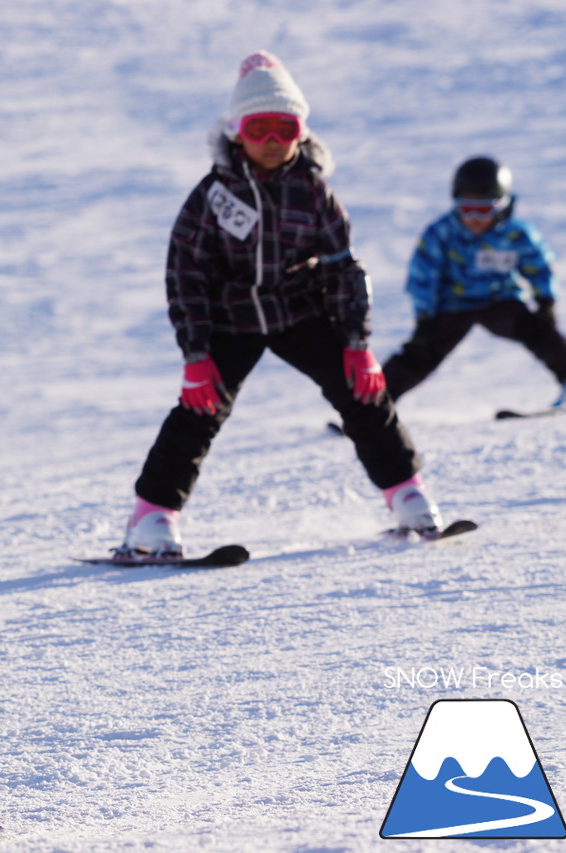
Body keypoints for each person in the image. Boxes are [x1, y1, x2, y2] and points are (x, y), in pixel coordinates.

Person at [120, 51, 446, 559]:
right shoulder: (211, 197)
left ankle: (407, 494)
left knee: (361, 393)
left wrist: (357, 345)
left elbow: (344, 268)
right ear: (236, 132)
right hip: (231, 319)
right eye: (259, 129)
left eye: (285, 128)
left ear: (301, 132)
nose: (272, 142)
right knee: (199, 410)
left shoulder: (314, 192)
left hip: (300, 312)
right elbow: (185, 276)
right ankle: (152, 519)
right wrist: (196, 356)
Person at [382, 156, 566, 408]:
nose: (475, 217)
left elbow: (540, 267)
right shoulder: (441, 232)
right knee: (421, 352)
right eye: (466, 208)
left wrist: (546, 301)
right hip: (452, 305)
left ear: (502, 206)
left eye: (484, 209)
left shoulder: (517, 234)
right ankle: (371, 407)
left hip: (500, 301)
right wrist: (424, 320)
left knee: (540, 332)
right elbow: (422, 277)